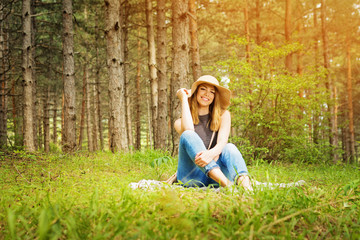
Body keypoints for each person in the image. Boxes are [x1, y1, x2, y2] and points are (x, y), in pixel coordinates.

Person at [173, 75, 252, 190]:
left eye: (212, 92)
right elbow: (189, 130)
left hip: (216, 176)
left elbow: (222, 142)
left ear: (215, 97)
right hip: (192, 177)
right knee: (187, 134)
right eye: (203, 89)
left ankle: (247, 188)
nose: (207, 94)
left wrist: (210, 154)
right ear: (195, 92)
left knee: (229, 147)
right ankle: (229, 186)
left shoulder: (223, 116)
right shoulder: (179, 122)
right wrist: (184, 99)